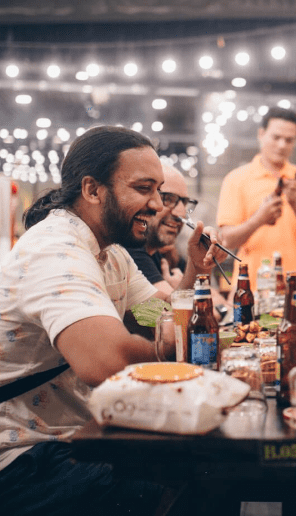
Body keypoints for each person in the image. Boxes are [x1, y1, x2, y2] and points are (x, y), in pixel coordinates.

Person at [0, 125, 223, 516]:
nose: (158, 205)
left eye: (160, 191)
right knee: (198, 479)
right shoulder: (56, 249)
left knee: (205, 469)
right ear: (92, 190)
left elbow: (158, 316)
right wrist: (189, 341)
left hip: (77, 434)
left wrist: (197, 275)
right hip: (22, 455)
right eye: (144, 189)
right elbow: (104, 362)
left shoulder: (112, 254)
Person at [217, 106, 296, 287]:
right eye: (276, 137)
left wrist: (295, 205)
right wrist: (259, 219)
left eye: (289, 140)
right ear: (261, 134)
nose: (282, 145)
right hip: (251, 286)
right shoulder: (236, 179)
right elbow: (228, 239)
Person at [125, 162, 195, 297]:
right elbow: (170, 313)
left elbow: (154, 312)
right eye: (168, 199)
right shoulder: (128, 251)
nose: (181, 213)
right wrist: (182, 294)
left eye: (184, 203)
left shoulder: (164, 254)